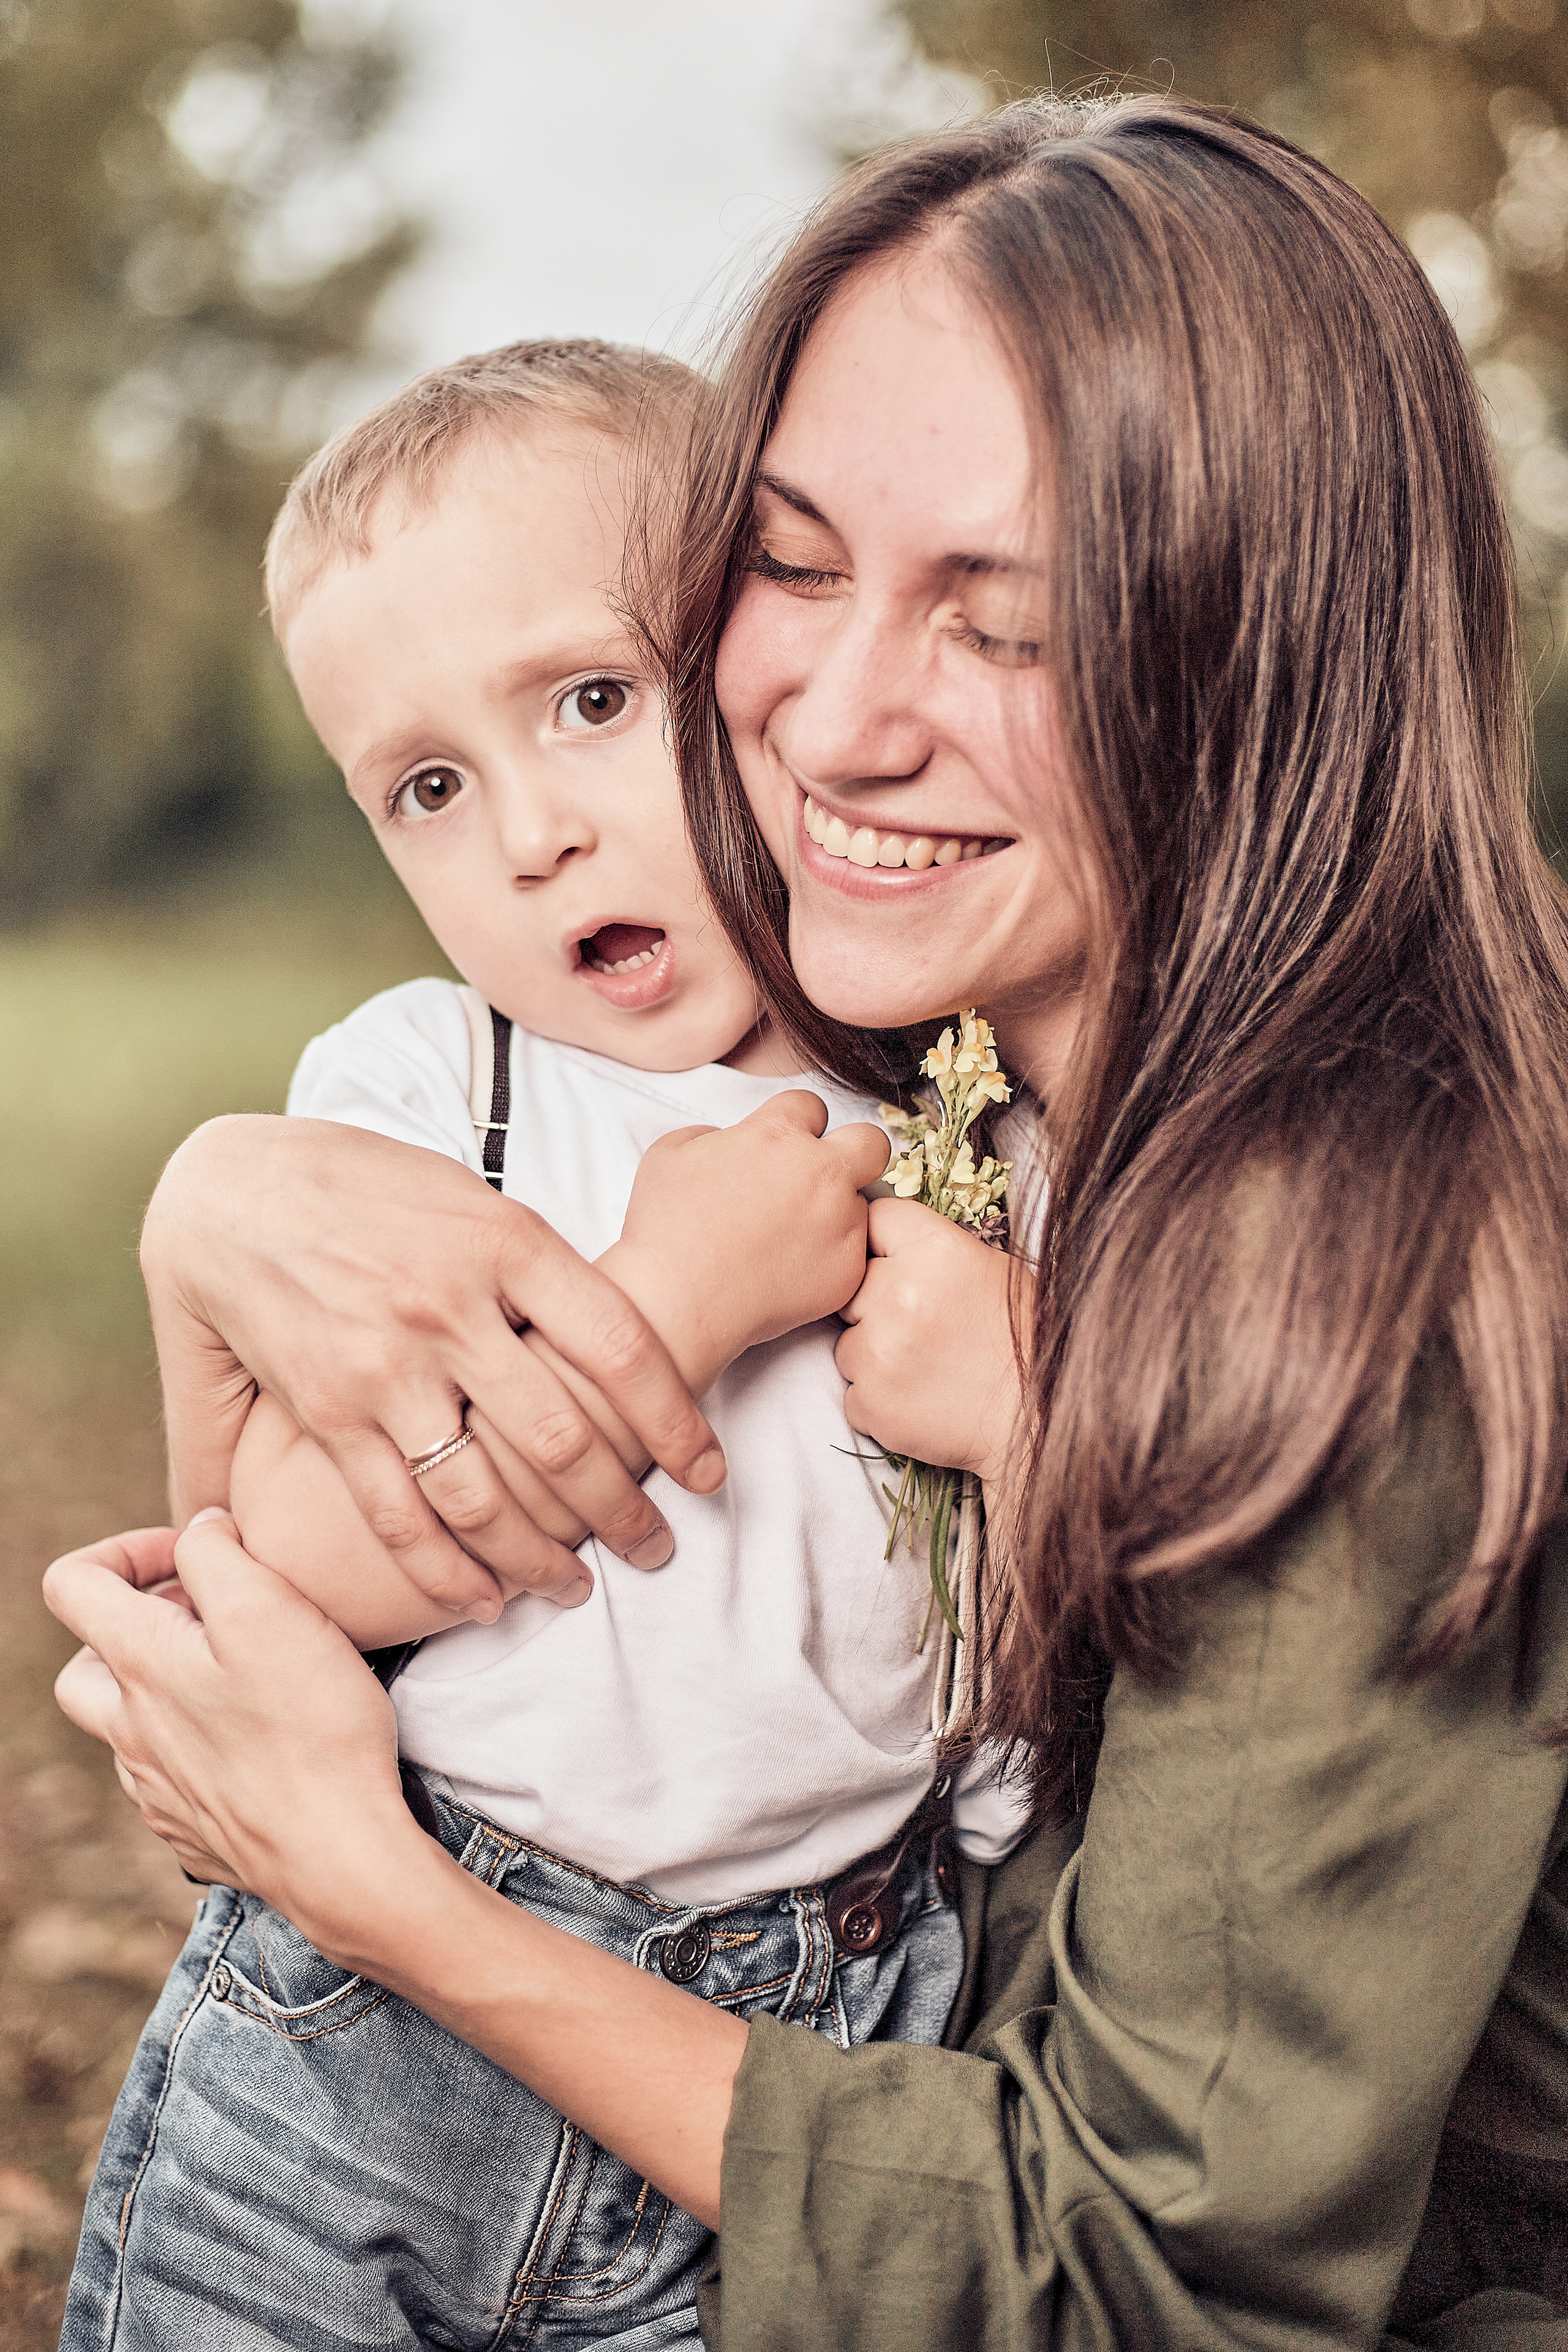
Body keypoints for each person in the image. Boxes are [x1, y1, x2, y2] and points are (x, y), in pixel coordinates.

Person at [46, 92, 1568, 2348]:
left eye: (1012, 623)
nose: (839, 722)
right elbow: (265, 1581)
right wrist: (219, 1203)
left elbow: (1144, 2279)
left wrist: (381, 1891)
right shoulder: (973, 1088)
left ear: (1256, 662)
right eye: (791, 561)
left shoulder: (1335, 1266)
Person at [58, 337, 1031, 2351]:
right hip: (363, 2042)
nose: (526, 835)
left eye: (591, 704)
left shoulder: (969, 1109)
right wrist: (678, 1299)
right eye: (426, 786)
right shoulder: (435, 1089)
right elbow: (296, 1565)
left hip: (808, 2021)